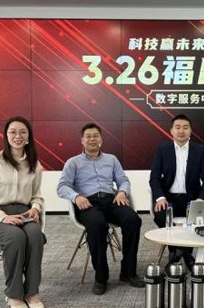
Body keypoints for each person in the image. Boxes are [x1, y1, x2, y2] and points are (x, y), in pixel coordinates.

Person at [57, 123, 144, 295]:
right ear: (82, 141)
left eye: (95, 135)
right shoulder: (73, 162)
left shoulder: (111, 159)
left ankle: (128, 272)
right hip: (87, 203)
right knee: (97, 225)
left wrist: (122, 192)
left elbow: (123, 180)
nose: (92, 139)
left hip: (110, 200)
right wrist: (76, 197)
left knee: (133, 220)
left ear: (101, 139)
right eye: (88, 136)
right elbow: (62, 187)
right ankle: (101, 277)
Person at [0, 116, 46, 308]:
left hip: (24, 214)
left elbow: (37, 195)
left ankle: (31, 292)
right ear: (6, 135)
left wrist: (35, 208)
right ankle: (14, 294)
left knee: (35, 235)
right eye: (13, 132)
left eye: (23, 132)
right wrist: (2, 217)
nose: (18, 136)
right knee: (15, 237)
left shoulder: (34, 164)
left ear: (28, 136)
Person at [149, 114, 204, 270]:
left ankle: (177, 254)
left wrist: (201, 199)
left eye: (185, 128)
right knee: (161, 217)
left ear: (190, 131)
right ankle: (183, 253)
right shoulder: (163, 149)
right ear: (171, 130)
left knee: (197, 221)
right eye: (177, 127)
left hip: (192, 199)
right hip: (168, 198)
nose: (181, 131)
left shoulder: (200, 150)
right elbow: (154, 177)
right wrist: (160, 197)